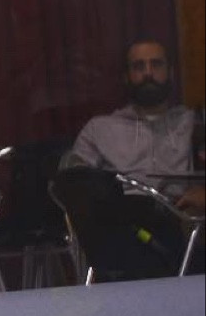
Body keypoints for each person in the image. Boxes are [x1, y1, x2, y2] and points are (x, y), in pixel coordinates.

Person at [66, 38, 204, 215]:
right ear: (126, 77)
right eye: (139, 66)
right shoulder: (99, 129)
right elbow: (73, 184)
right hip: (120, 219)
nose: (148, 73)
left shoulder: (193, 122)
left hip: (180, 218)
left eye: (156, 64)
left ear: (170, 73)